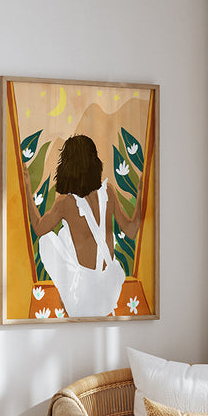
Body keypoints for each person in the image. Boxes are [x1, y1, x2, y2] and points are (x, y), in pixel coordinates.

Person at [23, 134, 141, 317]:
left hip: (83, 301)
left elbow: (38, 228)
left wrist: (27, 190)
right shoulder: (108, 192)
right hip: (111, 293)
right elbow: (132, 231)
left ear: (68, 166)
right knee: (67, 232)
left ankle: (67, 294)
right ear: (95, 163)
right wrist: (140, 193)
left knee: (50, 237)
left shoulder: (65, 202)